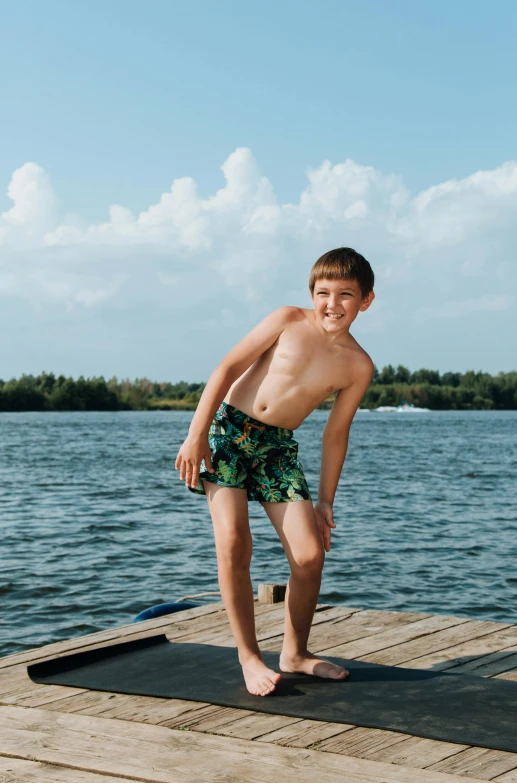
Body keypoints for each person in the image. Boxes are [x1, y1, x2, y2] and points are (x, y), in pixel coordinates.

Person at [175, 247, 375, 696]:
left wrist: (325, 501)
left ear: (366, 301)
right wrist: (196, 434)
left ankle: (295, 653)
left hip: (277, 450)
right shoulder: (287, 319)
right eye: (323, 293)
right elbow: (227, 367)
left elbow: (335, 434)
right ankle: (249, 656)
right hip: (227, 433)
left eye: (346, 294)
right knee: (233, 541)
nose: (333, 304)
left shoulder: (358, 366)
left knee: (309, 556)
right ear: (312, 294)